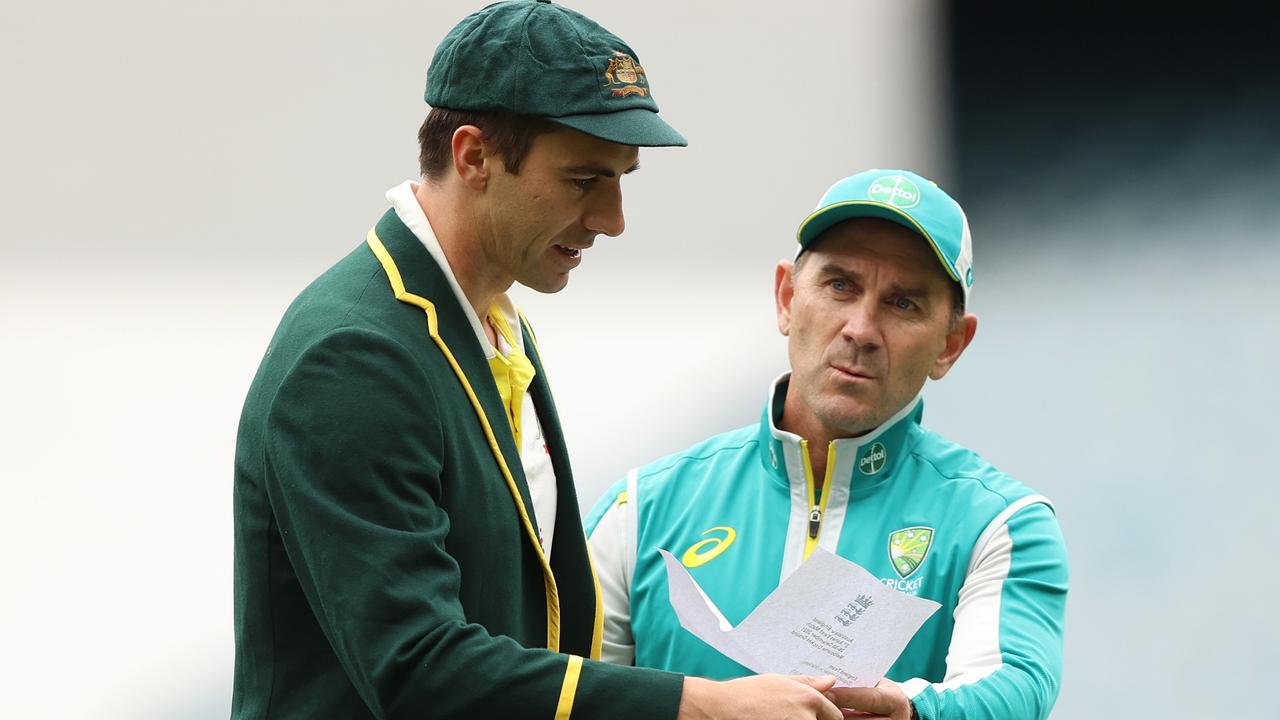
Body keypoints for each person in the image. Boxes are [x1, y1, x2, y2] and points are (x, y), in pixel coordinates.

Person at [232, 1, 844, 719]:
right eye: (585, 181)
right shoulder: (353, 357)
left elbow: (537, 627)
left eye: (622, 179)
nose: (612, 219)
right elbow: (418, 669)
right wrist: (697, 704)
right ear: (473, 157)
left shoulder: (494, 319)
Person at [586, 169, 1069, 720]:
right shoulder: (640, 511)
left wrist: (909, 711)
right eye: (840, 285)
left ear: (951, 345)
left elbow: (1013, 689)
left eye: (904, 303)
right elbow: (569, 696)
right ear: (787, 299)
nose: (860, 328)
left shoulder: (1001, 524)